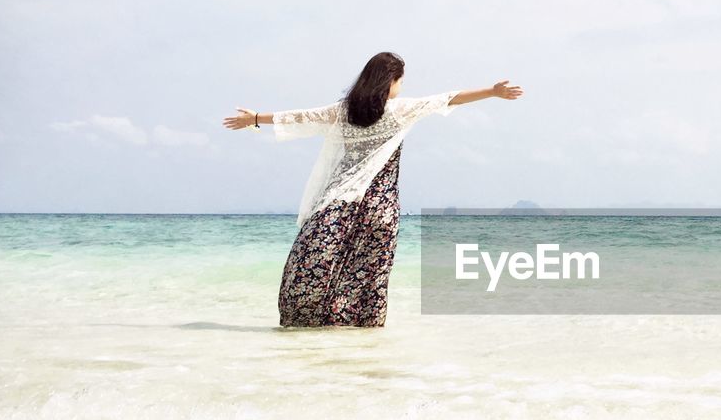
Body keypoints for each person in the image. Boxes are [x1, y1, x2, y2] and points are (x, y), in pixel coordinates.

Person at [222, 51, 523, 327]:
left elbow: (298, 116)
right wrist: (492, 93)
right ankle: (361, 333)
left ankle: (309, 324)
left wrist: (255, 119)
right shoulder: (398, 111)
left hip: (338, 204)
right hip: (380, 208)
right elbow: (447, 99)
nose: (401, 88)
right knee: (368, 274)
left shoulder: (343, 111)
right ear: (390, 81)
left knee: (311, 263)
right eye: (400, 81)